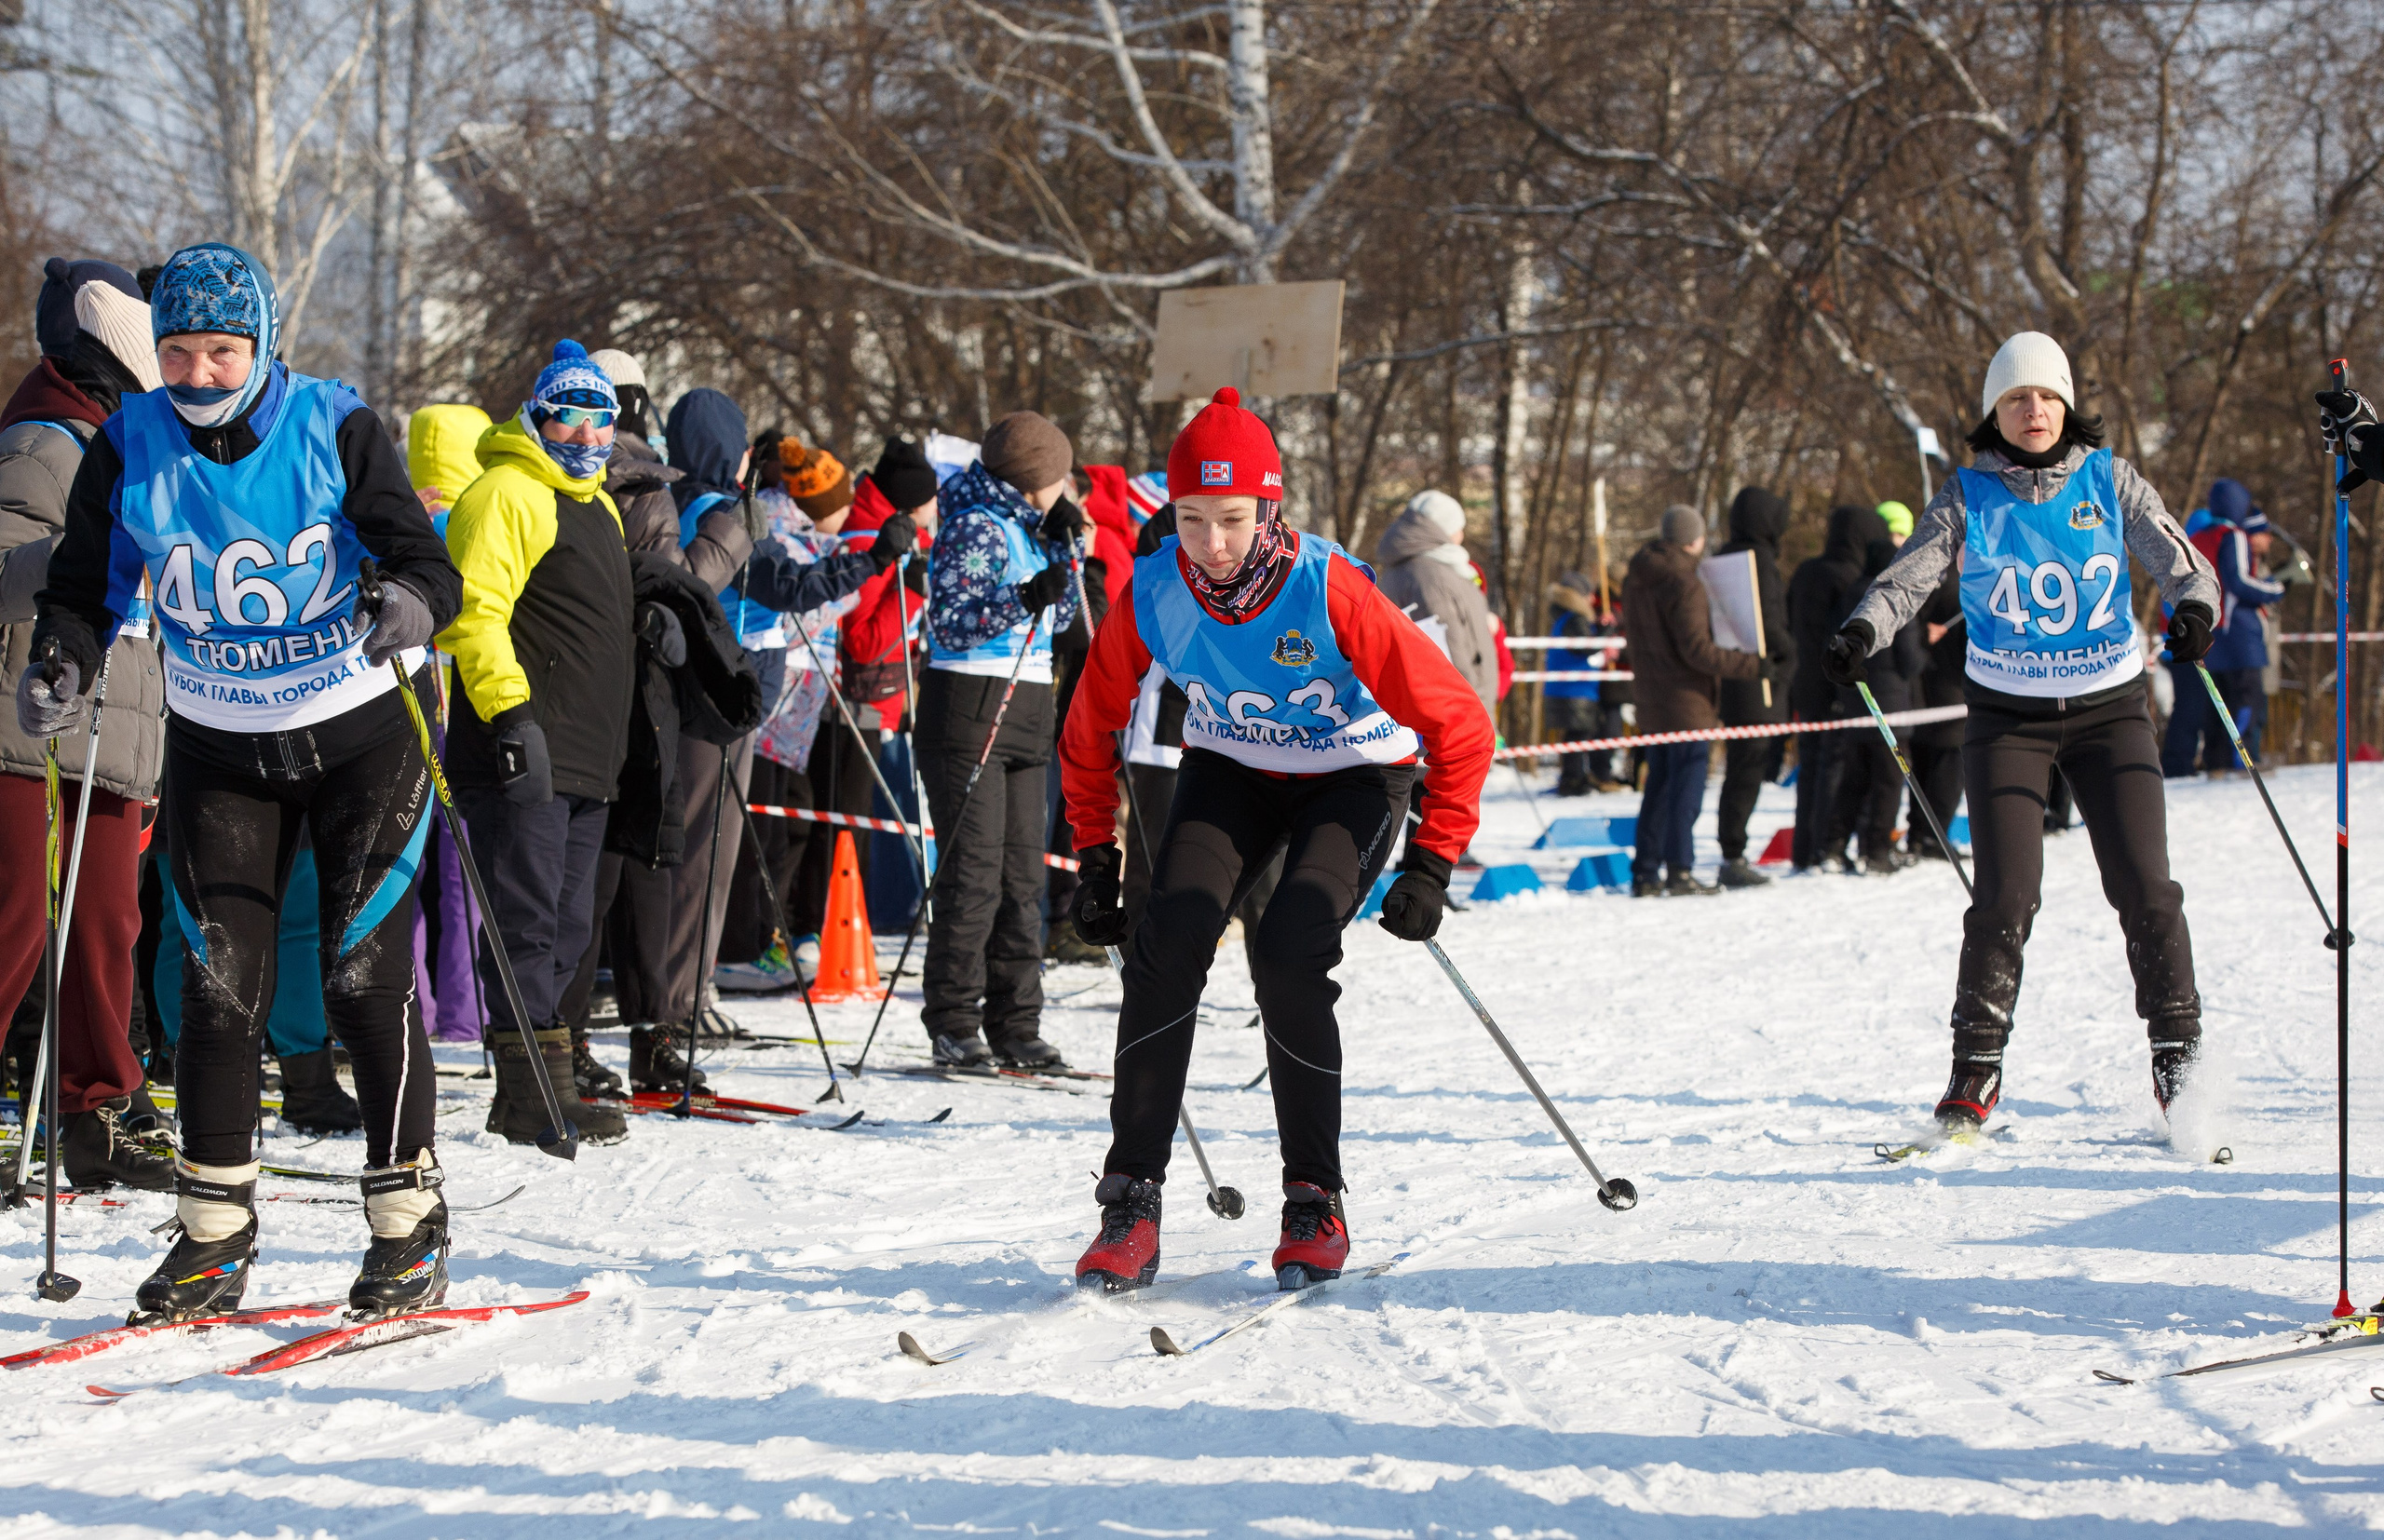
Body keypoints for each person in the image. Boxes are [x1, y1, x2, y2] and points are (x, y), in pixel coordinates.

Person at [24, 242, 462, 1320]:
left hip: (360, 737)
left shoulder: (333, 424)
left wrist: (408, 601)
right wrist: (63, 661)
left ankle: (407, 1218)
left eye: (223, 351)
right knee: (217, 993)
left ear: (264, 344)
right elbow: (84, 588)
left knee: (364, 979)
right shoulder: (129, 445)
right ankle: (213, 1234)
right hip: (220, 746)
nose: (199, 374)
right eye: (176, 352)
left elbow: (427, 566)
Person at [1059, 387, 1493, 1291]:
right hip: (1233, 769)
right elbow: (1088, 724)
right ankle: (1129, 1203)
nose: (1212, 544)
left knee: (1291, 950)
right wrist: (1094, 853)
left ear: (1269, 510)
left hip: (1353, 771)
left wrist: (1433, 856)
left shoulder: (1328, 587)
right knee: (1165, 940)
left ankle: (1313, 1198)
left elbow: (1459, 722)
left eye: (1231, 519)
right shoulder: (1157, 590)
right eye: (1190, 519)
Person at [1825, 331, 2219, 1132]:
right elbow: (1910, 576)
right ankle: (1974, 1073)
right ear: (1993, 413)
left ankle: (2180, 1066)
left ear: (2066, 404)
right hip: (2008, 719)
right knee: (2004, 897)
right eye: (2014, 398)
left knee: (2146, 889)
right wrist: (1862, 631)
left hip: (2112, 712)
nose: (2032, 409)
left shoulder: (2111, 481)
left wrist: (2197, 609)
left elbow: (2182, 559)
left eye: (2044, 395)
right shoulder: (1968, 495)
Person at [437, 340, 638, 1148]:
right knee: (527, 919)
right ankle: (531, 1096)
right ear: (538, 415)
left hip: (589, 751)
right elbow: (471, 612)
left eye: (602, 423)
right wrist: (510, 716)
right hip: (522, 744)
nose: (587, 438)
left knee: (570, 920)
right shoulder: (507, 493)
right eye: (570, 418)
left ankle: (542, 1083)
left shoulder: (600, 503)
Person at [0, 259, 173, 1190]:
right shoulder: (46, 439)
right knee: (18, 917)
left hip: (118, 725)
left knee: (106, 922)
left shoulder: (132, 444)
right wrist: (84, 556)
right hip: (31, 723)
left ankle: (99, 1104)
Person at [915, 410, 1081, 1070]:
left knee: (1022, 878)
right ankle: (955, 1020)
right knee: (975, 874)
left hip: (1030, 703)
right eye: (1059, 476)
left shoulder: (1030, 526)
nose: (1065, 486)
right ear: (1032, 477)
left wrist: (1065, 553)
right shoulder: (974, 525)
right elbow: (951, 624)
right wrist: (1023, 595)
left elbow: (1064, 614)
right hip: (972, 704)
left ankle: (1017, 1021)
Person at [403, 403, 494, 1045]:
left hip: (408, 710)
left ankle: (416, 1007)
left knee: (404, 870)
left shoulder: (399, 523)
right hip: (465, 713)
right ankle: (467, 1009)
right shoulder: (479, 521)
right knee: (464, 871)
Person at [1621, 505, 1763, 897]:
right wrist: (1752, 665)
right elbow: (1698, 650)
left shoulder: (1637, 578)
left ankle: (1646, 871)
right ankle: (1679, 869)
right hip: (1686, 702)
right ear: (1693, 539)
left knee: (1659, 787)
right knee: (1684, 789)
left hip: (1651, 697)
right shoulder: (1686, 582)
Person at [1784, 505, 1890, 870]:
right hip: (1835, 687)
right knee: (1833, 769)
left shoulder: (1804, 572)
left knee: (1810, 767)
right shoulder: (1848, 578)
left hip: (1804, 683)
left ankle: (1804, 848)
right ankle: (1820, 848)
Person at [2161, 479, 2283, 776]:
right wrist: (2273, 589)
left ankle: (2217, 760)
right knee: (2247, 698)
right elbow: (2238, 581)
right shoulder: (2234, 535)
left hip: (2211, 632)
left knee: (2218, 702)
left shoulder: (2200, 535)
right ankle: (2243, 759)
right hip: (2239, 634)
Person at [1711, 487, 1795, 886]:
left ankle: (1732, 849)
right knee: (1748, 767)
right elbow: (1770, 620)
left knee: (1742, 767)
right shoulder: (1758, 560)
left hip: (1735, 678)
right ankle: (1733, 852)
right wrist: (1791, 652)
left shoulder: (1725, 556)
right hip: (1760, 680)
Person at [1825, 533, 1923, 874]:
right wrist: (1926, 649)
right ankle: (1876, 849)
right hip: (1889, 707)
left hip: (1856, 702)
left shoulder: (1849, 596)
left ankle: (1833, 847)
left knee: (1855, 779)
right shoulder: (1894, 598)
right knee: (1888, 782)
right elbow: (1909, 659)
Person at [1374, 490, 1498, 712]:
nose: (1461, 534)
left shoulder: (1433, 566)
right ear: (1442, 528)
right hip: (1457, 711)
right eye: (1458, 527)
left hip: (1460, 704)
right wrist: (1470, 707)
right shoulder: (1429, 576)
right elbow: (1449, 649)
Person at [1541, 571, 1608, 797]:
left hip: (1570, 687)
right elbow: (1584, 647)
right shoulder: (1575, 618)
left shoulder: (1564, 617)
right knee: (1578, 735)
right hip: (1574, 688)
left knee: (1577, 734)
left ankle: (1575, 776)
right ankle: (1573, 779)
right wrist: (1606, 634)